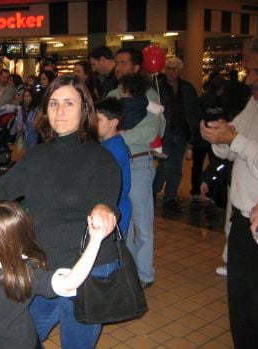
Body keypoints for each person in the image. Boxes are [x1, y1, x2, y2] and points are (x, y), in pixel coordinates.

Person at [0, 75, 122, 349]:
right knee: (23, 339)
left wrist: (103, 211)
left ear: (84, 110)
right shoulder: (38, 156)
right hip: (42, 268)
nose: (60, 110)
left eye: (69, 103)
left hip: (88, 269)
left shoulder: (100, 158)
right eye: (53, 103)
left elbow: (107, 202)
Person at [200, 33, 258, 349]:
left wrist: (233, 140)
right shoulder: (254, 102)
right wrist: (218, 138)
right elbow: (234, 146)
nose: (250, 79)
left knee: (257, 310)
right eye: (247, 69)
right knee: (239, 306)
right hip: (240, 221)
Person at [108, 47, 165, 289]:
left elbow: (151, 131)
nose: (119, 67)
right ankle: (129, 270)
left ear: (136, 67)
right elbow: (102, 130)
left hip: (139, 163)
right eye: (116, 62)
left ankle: (144, 274)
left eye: (123, 62)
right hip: (116, 164)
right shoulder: (111, 93)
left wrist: (118, 135)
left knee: (142, 222)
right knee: (124, 220)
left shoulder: (148, 93)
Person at [153, 57, 200, 212]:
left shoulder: (188, 89)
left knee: (177, 169)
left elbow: (193, 113)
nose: (171, 72)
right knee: (165, 165)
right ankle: (154, 191)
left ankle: (170, 198)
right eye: (168, 68)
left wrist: (192, 137)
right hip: (164, 132)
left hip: (181, 132)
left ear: (180, 71)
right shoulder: (158, 87)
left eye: (174, 69)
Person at [95, 97, 131, 238]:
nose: (94, 123)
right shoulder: (109, 144)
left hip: (114, 210)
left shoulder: (114, 148)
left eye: (98, 120)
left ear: (113, 123)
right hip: (113, 207)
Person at [119, 73, 166, 158]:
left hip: (134, 154)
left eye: (121, 88)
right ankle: (158, 150)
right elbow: (158, 111)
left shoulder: (120, 103)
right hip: (142, 153)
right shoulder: (145, 101)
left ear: (126, 90)